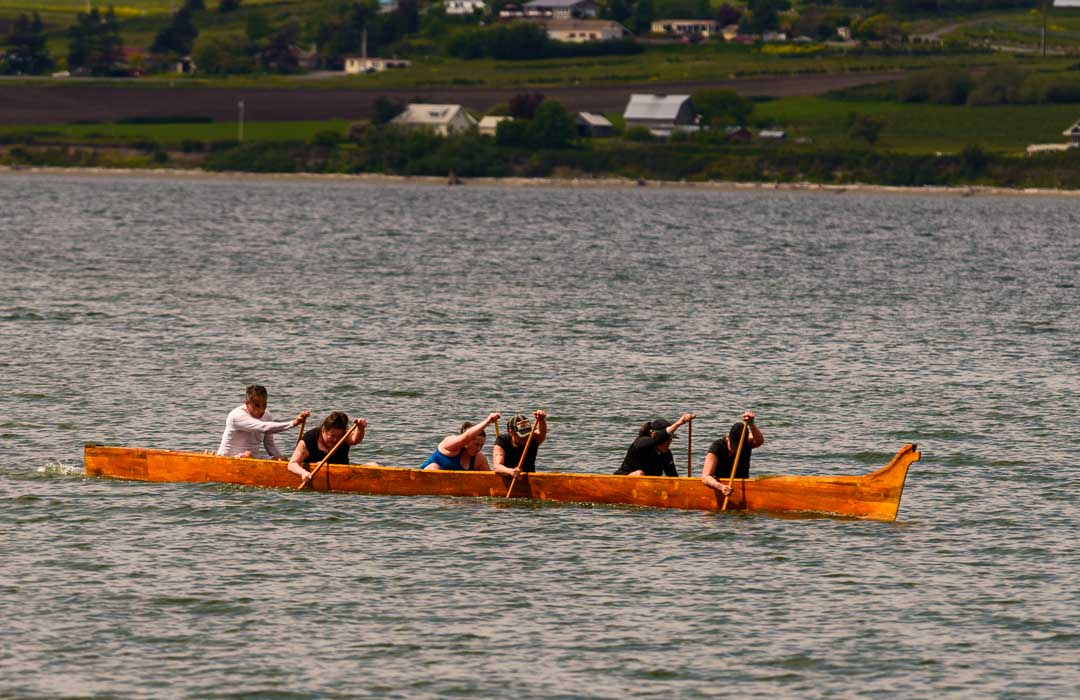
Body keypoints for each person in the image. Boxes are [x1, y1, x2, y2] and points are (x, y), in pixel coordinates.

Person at [216, 384, 310, 460]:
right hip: (228, 458)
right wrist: (294, 423)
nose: (261, 410)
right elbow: (263, 427)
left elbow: (269, 444)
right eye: (257, 406)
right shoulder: (236, 415)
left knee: (282, 459)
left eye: (264, 405)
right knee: (248, 455)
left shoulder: (267, 415)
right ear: (247, 404)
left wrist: (285, 463)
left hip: (254, 458)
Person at [288, 411, 367, 487]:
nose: (335, 440)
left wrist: (360, 428)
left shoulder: (344, 436)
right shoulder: (309, 439)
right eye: (332, 436)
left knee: (373, 465)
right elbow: (292, 464)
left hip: (342, 476)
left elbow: (355, 439)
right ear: (324, 430)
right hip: (314, 478)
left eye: (338, 436)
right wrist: (303, 473)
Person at [701, 411, 765, 496]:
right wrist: (720, 487)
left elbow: (759, 441)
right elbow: (705, 477)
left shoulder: (746, 442)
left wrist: (751, 424)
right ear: (728, 437)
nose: (735, 449)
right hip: (721, 486)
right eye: (733, 445)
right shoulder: (717, 447)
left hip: (742, 485)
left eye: (738, 446)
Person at [613, 413, 695, 477]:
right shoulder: (640, 443)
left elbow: (673, 477)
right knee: (639, 474)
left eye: (670, 439)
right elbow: (658, 438)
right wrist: (679, 423)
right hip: (622, 480)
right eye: (666, 439)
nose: (669, 442)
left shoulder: (666, 455)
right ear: (653, 435)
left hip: (648, 489)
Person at [421, 412, 500, 471]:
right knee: (434, 467)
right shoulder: (449, 444)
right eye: (476, 444)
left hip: (452, 487)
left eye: (481, 445)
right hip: (425, 479)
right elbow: (466, 437)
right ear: (467, 442)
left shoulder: (479, 459)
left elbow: (490, 481)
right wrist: (488, 421)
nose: (479, 448)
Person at [492, 410, 548, 478]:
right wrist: (510, 471)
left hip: (530, 479)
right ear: (511, 432)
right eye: (522, 435)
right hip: (507, 478)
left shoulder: (533, 438)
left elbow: (543, 431)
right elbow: (497, 466)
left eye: (527, 434)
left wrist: (541, 420)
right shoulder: (502, 441)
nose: (526, 438)